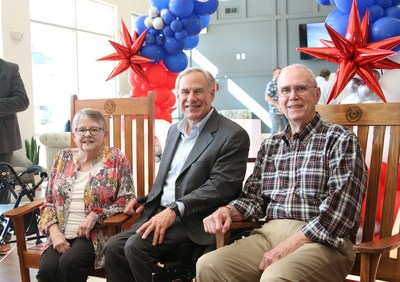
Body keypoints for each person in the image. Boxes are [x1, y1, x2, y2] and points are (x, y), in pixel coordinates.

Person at [197, 64, 368, 282]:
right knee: (209, 265)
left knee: (275, 277)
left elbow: (342, 212)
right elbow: (253, 199)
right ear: (278, 100)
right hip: (269, 234)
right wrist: (227, 211)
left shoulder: (340, 140)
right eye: (285, 90)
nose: (292, 96)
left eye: (300, 89)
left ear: (316, 95)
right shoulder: (271, 145)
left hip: (324, 241)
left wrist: (294, 242)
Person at [104, 67, 250, 281]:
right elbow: (170, 180)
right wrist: (144, 200)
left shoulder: (232, 135)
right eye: (185, 92)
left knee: (136, 246)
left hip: (197, 218)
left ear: (212, 94)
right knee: (113, 247)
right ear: (178, 96)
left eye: (198, 91)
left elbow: (221, 187)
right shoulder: (174, 130)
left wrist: (175, 209)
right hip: (162, 211)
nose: (191, 98)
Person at [36, 108, 135, 282]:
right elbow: (49, 202)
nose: (87, 134)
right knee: (47, 270)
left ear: (104, 134)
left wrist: (95, 215)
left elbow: (126, 198)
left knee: (69, 264)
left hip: (94, 234)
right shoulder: (62, 158)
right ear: (74, 135)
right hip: (59, 231)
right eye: (81, 130)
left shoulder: (116, 158)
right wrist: (54, 232)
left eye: (94, 129)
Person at [0, 59, 29, 254]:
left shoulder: (10, 69)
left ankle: (2, 237)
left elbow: (22, 101)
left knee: (2, 190)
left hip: (3, 141)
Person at [265, 67, 288, 134]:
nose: (281, 74)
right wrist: (278, 105)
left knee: (284, 132)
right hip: (275, 112)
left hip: (283, 112)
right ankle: (271, 144)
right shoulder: (271, 84)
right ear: (274, 74)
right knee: (274, 131)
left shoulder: (281, 84)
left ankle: (283, 144)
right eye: (279, 73)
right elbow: (267, 97)